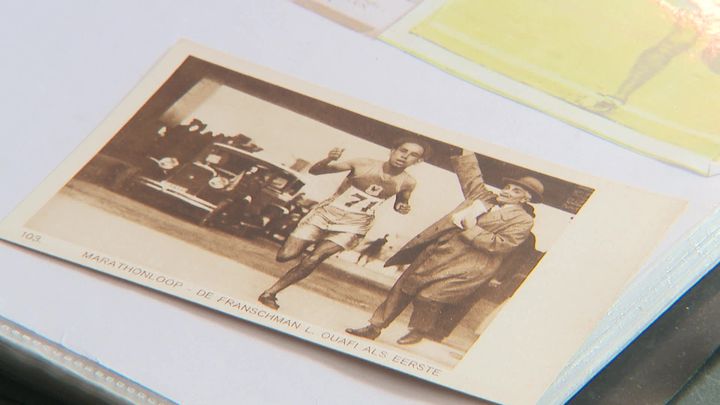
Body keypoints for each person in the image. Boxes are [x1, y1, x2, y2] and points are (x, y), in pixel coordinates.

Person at [346, 149, 543, 345]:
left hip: (467, 265)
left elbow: (501, 244)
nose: (507, 191)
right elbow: (471, 176)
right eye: (507, 187)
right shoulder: (483, 197)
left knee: (428, 296)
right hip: (436, 252)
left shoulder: (523, 221)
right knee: (402, 289)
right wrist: (467, 149)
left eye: (516, 191)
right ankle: (374, 327)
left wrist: (471, 228)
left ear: (526, 199)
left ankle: (419, 329)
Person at [257, 139, 429, 310]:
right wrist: (328, 159)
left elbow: (401, 202)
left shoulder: (408, 182)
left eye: (413, 155)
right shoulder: (362, 163)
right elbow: (316, 171)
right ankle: (297, 250)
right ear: (393, 150)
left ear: (418, 161)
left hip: (355, 224)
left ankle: (270, 293)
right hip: (326, 214)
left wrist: (402, 207)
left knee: (314, 259)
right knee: (285, 255)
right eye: (403, 150)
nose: (405, 156)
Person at [587, 0, 720, 113]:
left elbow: (661, 53)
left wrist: (620, 96)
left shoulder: (699, 26)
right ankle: (619, 97)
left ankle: (619, 97)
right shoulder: (701, 24)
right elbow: (662, 53)